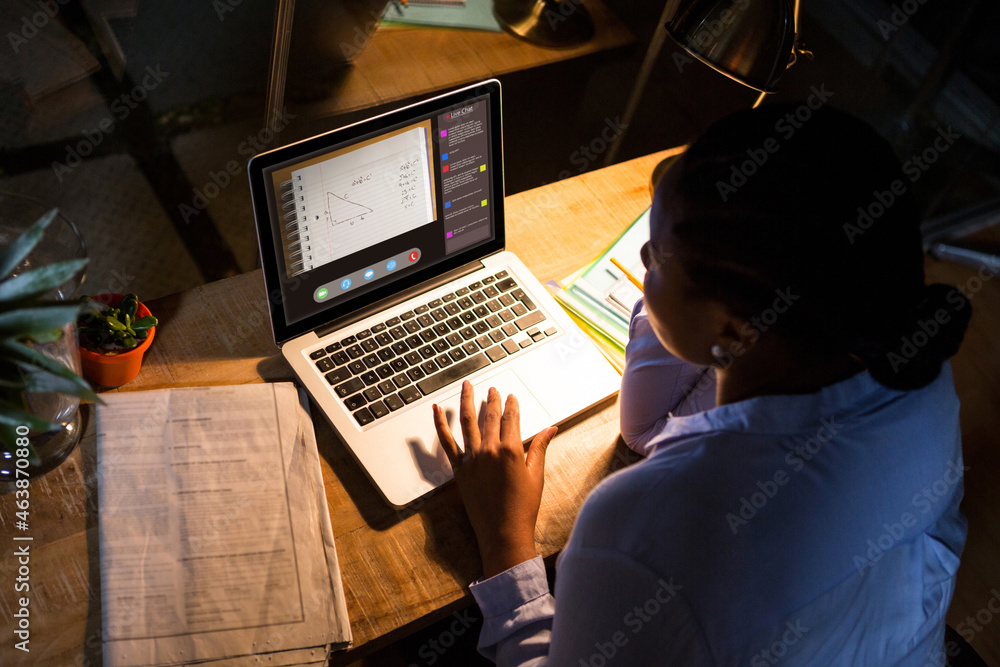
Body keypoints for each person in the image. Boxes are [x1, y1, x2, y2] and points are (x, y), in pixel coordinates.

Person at [431, 104, 972, 665]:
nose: (640, 259)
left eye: (657, 258)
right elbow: (649, 425)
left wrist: (506, 542)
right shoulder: (917, 375)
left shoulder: (640, 532)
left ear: (734, 327)